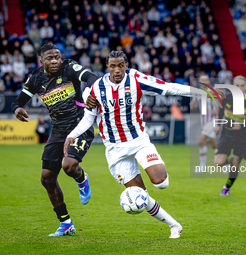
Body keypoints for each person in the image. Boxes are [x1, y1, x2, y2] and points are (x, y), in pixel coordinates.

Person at [64, 51, 224, 238]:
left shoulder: (136, 79)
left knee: (162, 183)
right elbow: (88, 118)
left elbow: (169, 87)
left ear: (126, 65)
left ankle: (161, 190)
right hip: (115, 150)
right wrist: (72, 135)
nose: (117, 70)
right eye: (113, 66)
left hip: (139, 141)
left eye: (121, 65)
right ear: (107, 67)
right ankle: (174, 225)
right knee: (140, 195)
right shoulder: (96, 88)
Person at [11, 44, 99, 236]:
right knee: (47, 178)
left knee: (69, 166)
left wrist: (92, 93)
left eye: (57, 57)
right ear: (41, 60)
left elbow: (92, 77)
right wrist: (17, 109)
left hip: (79, 125)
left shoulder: (69, 68)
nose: (55, 61)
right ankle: (66, 223)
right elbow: (17, 102)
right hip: (58, 130)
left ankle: (82, 178)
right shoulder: (35, 79)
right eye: (50, 58)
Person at [214, 76, 246, 196]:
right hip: (227, 134)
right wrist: (219, 125)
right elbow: (221, 110)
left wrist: (242, 125)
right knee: (218, 163)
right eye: (237, 86)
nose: (239, 88)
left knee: (235, 165)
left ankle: (227, 187)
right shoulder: (227, 98)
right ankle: (230, 162)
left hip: (243, 138)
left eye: (242, 86)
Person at [190, 74, 219, 172]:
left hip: (212, 121)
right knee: (214, 145)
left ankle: (202, 166)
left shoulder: (213, 91)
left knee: (201, 141)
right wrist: (193, 105)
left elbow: (221, 105)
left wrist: (217, 111)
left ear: (209, 81)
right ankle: (226, 162)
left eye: (205, 80)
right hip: (203, 122)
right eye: (202, 80)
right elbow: (192, 107)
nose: (204, 82)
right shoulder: (197, 93)